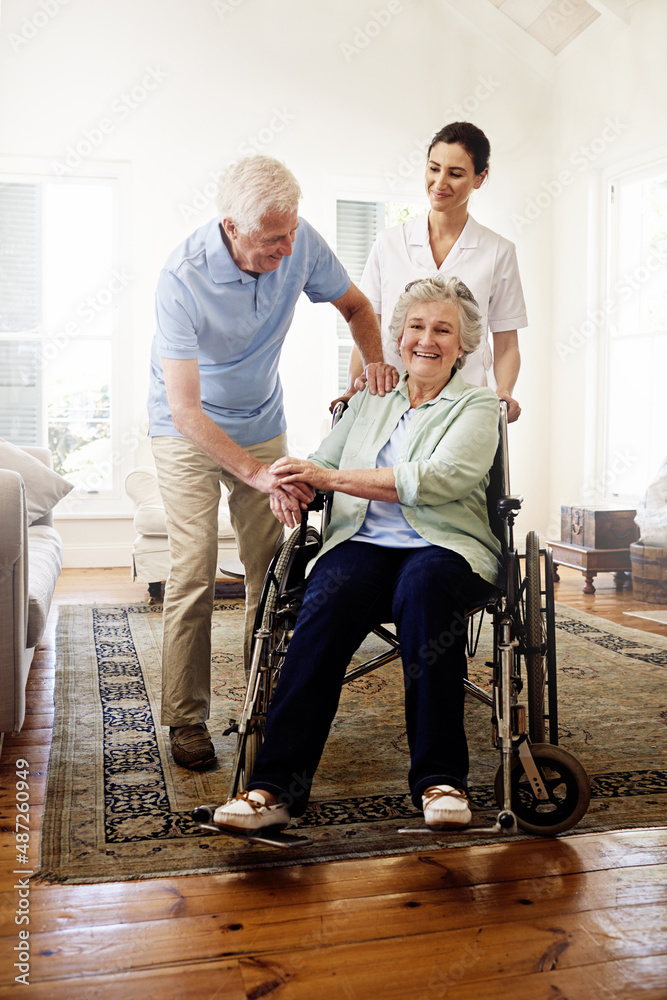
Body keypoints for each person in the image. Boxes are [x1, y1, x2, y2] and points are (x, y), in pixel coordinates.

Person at [213, 275, 503, 833]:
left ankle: (441, 780)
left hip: (444, 546)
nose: (427, 339)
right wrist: (296, 484)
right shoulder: (370, 399)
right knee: (326, 598)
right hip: (363, 543)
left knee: (424, 589)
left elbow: (439, 480)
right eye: (416, 326)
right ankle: (274, 787)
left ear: (463, 345)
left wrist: (329, 475)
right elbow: (322, 460)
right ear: (398, 338)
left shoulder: (477, 405)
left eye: (443, 329)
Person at [148, 154, 396, 770]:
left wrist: (372, 369)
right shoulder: (181, 276)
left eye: (291, 233)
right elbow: (184, 411)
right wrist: (259, 475)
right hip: (187, 430)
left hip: (261, 423)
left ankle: (269, 703)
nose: (288, 249)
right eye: (271, 240)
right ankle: (186, 718)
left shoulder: (298, 239)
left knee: (274, 565)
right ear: (230, 225)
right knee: (194, 570)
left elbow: (360, 308)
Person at [343, 121, 527, 422]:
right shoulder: (389, 243)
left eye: (455, 174)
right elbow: (367, 325)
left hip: (463, 408)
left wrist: (504, 391)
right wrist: (352, 388)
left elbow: (506, 343)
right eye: (433, 168)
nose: (440, 183)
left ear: (480, 178)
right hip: (390, 401)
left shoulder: (498, 252)